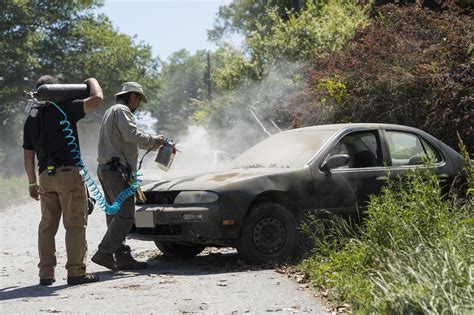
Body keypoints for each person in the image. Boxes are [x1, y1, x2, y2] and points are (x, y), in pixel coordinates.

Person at [23, 75, 104, 286]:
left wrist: (32, 183)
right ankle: (76, 272)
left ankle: (46, 274)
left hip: (45, 178)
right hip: (68, 174)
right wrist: (92, 80)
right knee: (75, 224)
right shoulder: (66, 108)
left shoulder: (31, 117)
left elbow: (28, 155)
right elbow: (97, 99)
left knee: (47, 226)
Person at [92, 82, 164, 270]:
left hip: (108, 169)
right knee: (125, 214)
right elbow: (131, 134)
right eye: (139, 98)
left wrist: (150, 142)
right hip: (117, 171)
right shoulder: (122, 110)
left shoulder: (111, 111)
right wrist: (153, 140)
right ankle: (105, 252)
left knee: (114, 214)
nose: (139, 103)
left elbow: (126, 137)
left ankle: (121, 255)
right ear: (131, 96)